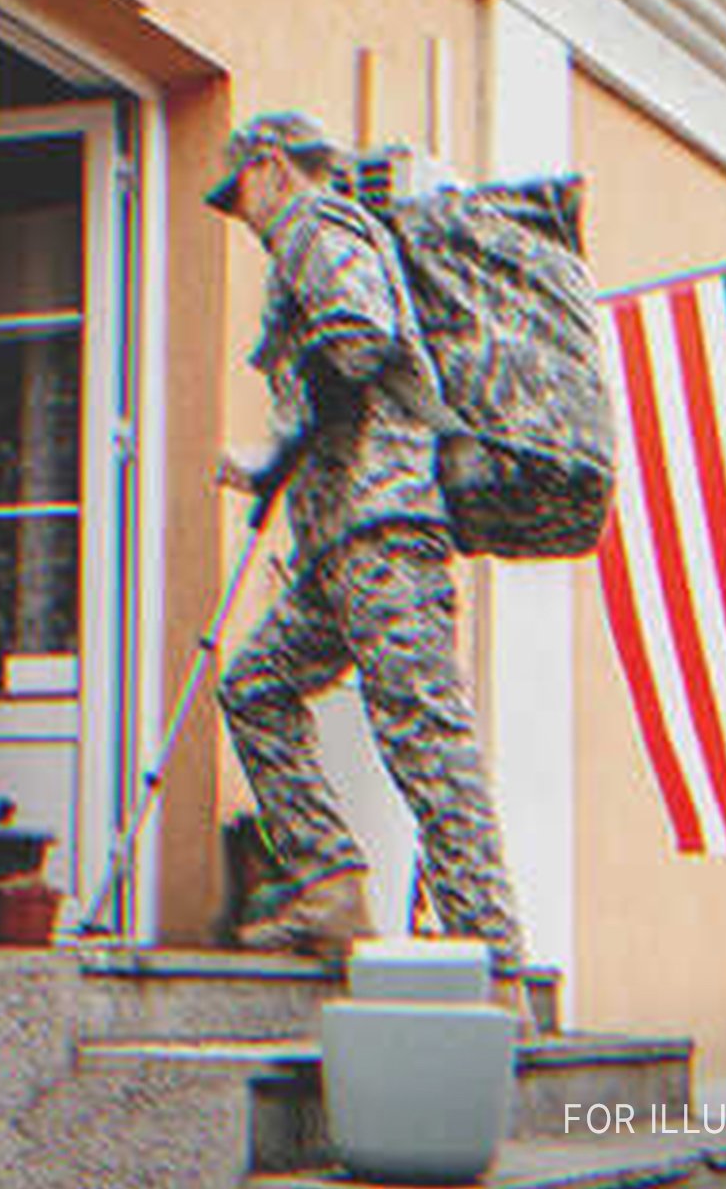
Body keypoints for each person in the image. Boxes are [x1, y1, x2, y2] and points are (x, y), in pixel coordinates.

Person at [205, 111, 527, 972]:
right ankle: (333, 888)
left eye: (237, 196)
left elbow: (359, 339)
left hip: (383, 533)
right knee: (255, 687)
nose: (242, 217)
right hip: (338, 547)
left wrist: (285, 436)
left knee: (423, 736)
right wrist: (276, 461)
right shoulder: (315, 237)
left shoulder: (316, 224)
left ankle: (494, 964)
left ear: (270, 168)